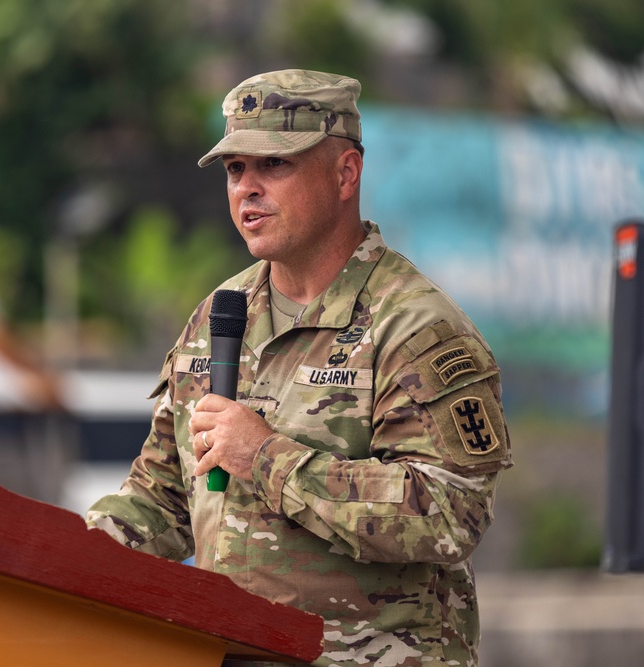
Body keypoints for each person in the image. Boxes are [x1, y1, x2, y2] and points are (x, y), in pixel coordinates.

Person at [86, 69, 512, 667]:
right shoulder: (219, 316)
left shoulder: (414, 327)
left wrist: (265, 459)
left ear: (346, 174)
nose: (247, 188)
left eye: (274, 165)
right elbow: (162, 499)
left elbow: (449, 513)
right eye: (236, 169)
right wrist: (53, 554)